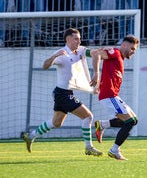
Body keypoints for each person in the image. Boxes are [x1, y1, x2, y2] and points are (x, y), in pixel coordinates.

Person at [22, 28, 103, 157]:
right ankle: (89, 147)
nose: (79, 41)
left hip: (63, 93)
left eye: (79, 38)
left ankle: (30, 136)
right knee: (88, 116)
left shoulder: (81, 50)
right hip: (63, 94)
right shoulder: (62, 54)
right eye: (76, 38)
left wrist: (97, 73)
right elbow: (44, 65)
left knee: (56, 123)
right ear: (68, 39)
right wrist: (54, 56)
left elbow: (95, 53)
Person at [90, 35, 139, 160]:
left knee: (134, 120)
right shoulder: (116, 53)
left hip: (112, 96)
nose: (133, 52)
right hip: (109, 95)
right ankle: (114, 150)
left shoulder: (119, 58)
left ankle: (102, 124)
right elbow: (96, 54)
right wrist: (96, 74)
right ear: (124, 45)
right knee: (130, 121)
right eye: (132, 48)